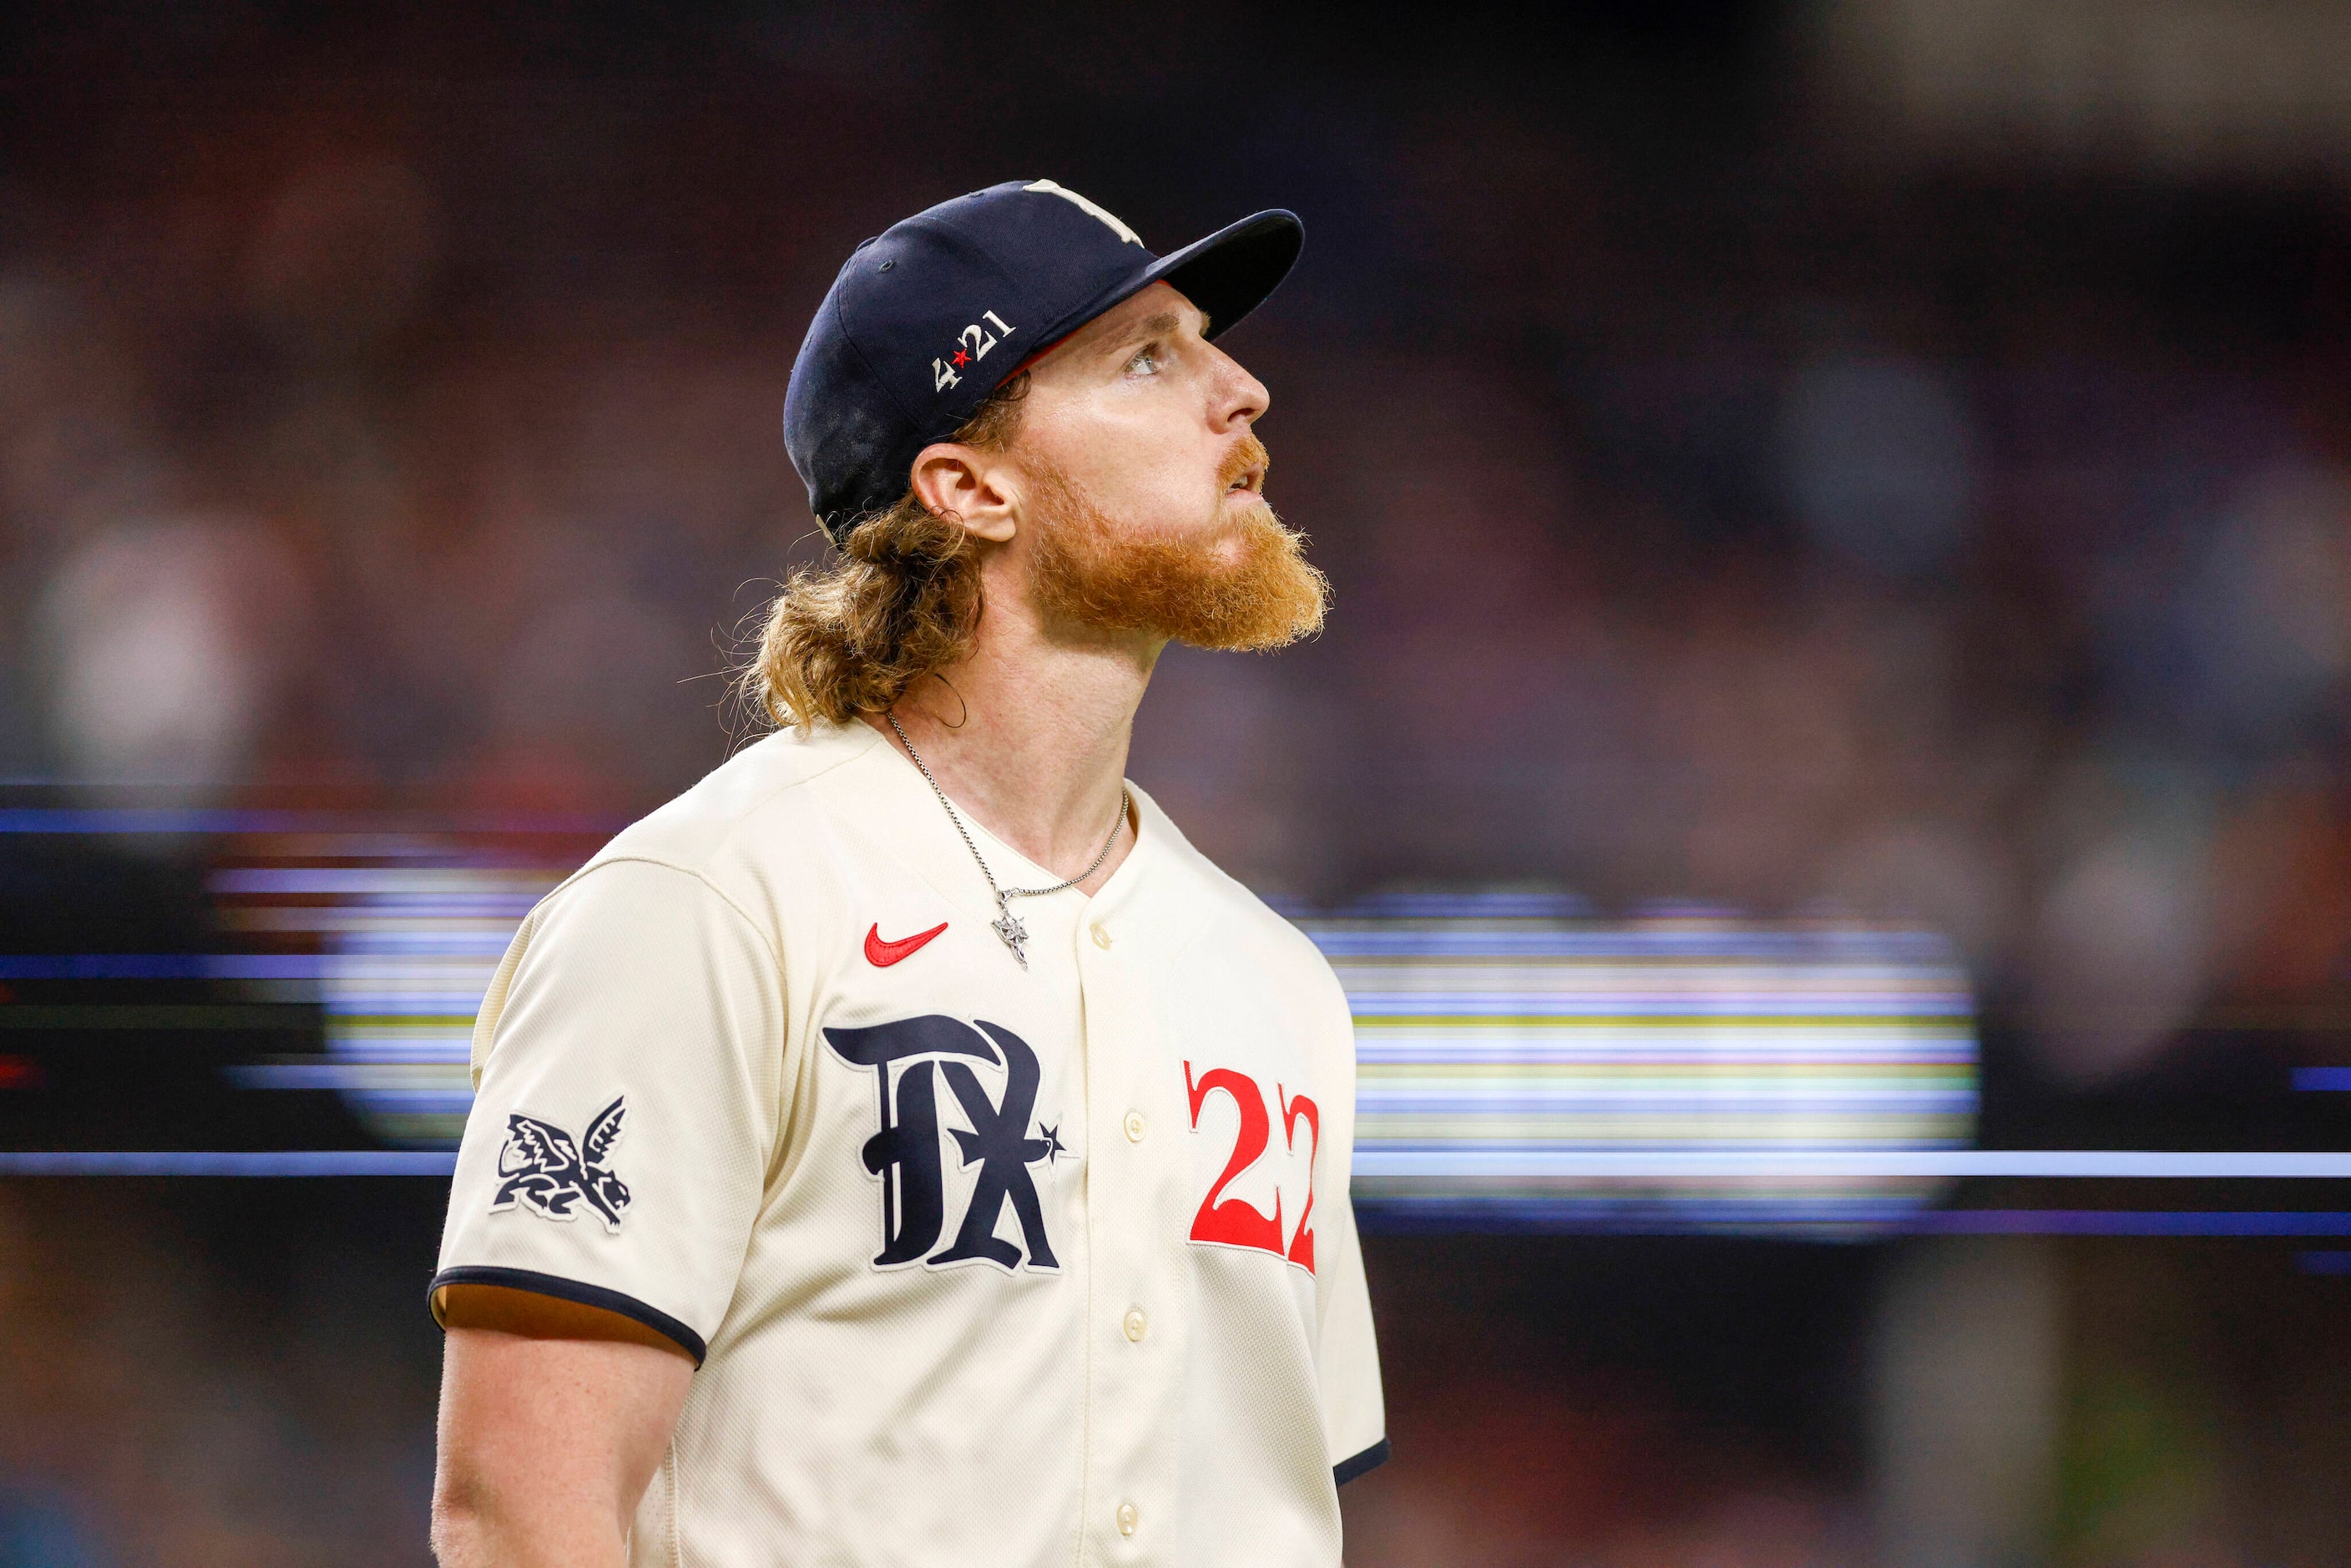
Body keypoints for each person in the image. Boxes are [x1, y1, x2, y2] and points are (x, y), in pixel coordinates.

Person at [427, 179, 1386, 1568]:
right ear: (971, 484)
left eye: (1207, 345)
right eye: (1149, 357)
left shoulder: (1277, 985)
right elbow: (522, 1510)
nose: (1241, 392)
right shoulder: (709, 907)